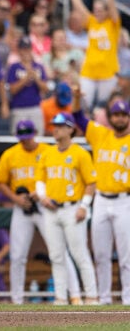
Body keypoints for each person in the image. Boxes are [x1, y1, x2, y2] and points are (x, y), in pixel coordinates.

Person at [0, 119, 83, 305]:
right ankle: (16, 299)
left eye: (28, 136)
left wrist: (39, 193)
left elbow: (56, 176)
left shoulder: (47, 151)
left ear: (34, 133)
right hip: (22, 207)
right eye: (22, 137)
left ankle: (74, 295)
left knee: (59, 251)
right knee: (17, 255)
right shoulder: (10, 154)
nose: (25, 140)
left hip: (44, 205)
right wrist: (16, 199)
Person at [73, 90, 130, 305]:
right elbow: (78, 117)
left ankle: (127, 300)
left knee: (126, 257)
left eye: (124, 115)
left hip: (125, 201)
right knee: (101, 254)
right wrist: (78, 97)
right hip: (101, 200)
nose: (120, 118)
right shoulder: (100, 134)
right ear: (110, 117)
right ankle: (104, 299)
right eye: (116, 114)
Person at [35, 112, 98, 305]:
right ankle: (61, 298)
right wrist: (43, 197)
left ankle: (92, 297)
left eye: (61, 126)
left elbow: (91, 182)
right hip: (51, 209)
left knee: (79, 254)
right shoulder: (47, 153)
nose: (56, 129)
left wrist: (84, 206)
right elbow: (40, 179)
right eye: (55, 125)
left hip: (73, 208)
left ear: (71, 129)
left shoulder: (80, 153)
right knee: (56, 255)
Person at [62, 0, 120, 112]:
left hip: (107, 73)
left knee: (103, 108)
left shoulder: (113, 24)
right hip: (88, 71)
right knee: (84, 104)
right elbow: (78, 4)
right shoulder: (91, 22)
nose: (97, 13)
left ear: (106, 12)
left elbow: (112, 7)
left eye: (100, 10)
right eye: (95, 10)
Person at [6, 35, 48, 134]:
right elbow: (12, 90)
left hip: (35, 107)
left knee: (38, 138)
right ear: (19, 50)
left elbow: (45, 89)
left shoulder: (39, 66)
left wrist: (36, 78)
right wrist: (26, 78)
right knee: (18, 138)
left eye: (27, 49)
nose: (25, 52)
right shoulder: (14, 67)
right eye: (23, 49)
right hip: (19, 108)